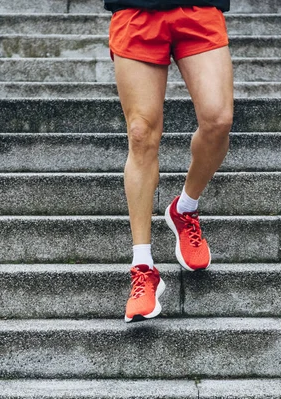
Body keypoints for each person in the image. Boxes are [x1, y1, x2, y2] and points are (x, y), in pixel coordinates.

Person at [105, 0, 234, 322]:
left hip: (197, 9)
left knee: (218, 120)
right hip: (136, 11)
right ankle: (143, 268)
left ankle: (185, 208)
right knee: (140, 134)